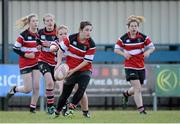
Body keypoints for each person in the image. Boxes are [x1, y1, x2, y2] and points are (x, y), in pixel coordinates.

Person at [53, 21, 96, 118]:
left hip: (85, 69)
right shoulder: (71, 38)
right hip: (70, 69)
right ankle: (57, 112)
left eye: (90, 30)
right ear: (80, 30)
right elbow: (60, 50)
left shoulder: (91, 44)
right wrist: (59, 63)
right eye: (86, 30)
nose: (89, 32)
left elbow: (86, 62)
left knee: (82, 88)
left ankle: (72, 108)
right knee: (65, 93)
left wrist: (73, 71)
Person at [114, 15, 155, 114]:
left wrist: (148, 52)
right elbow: (116, 49)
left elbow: (152, 47)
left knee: (137, 87)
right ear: (128, 27)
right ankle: (141, 110)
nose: (134, 28)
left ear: (138, 27)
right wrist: (124, 53)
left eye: (135, 26)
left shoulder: (143, 37)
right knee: (138, 89)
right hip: (129, 66)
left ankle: (126, 93)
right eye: (132, 26)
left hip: (141, 66)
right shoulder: (123, 38)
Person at [7, 14, 41, 113]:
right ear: (29, 23)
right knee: (27, 89)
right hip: (25, 62)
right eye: (33, 21)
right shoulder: (23, 35)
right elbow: (15, 48)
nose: (35, 23)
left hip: (37, 62)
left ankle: (32, 108)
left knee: (37, 86)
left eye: (37, 21)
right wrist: (25, 55)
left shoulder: (41, 34)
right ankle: (15, 89)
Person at [37, 13, 57, 114]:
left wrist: (51, 45)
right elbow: (37, 43)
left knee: (53, 85)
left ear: (54, 21)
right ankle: (50, 107)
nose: (50, 22)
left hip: (55, 62)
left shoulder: (58, 32)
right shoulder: (40, 32)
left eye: (51, 20)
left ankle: (52, 105)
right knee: (49, 82)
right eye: (47, 21)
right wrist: (38, 46)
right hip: (43, 60)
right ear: (44, 22)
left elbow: (62, 46)